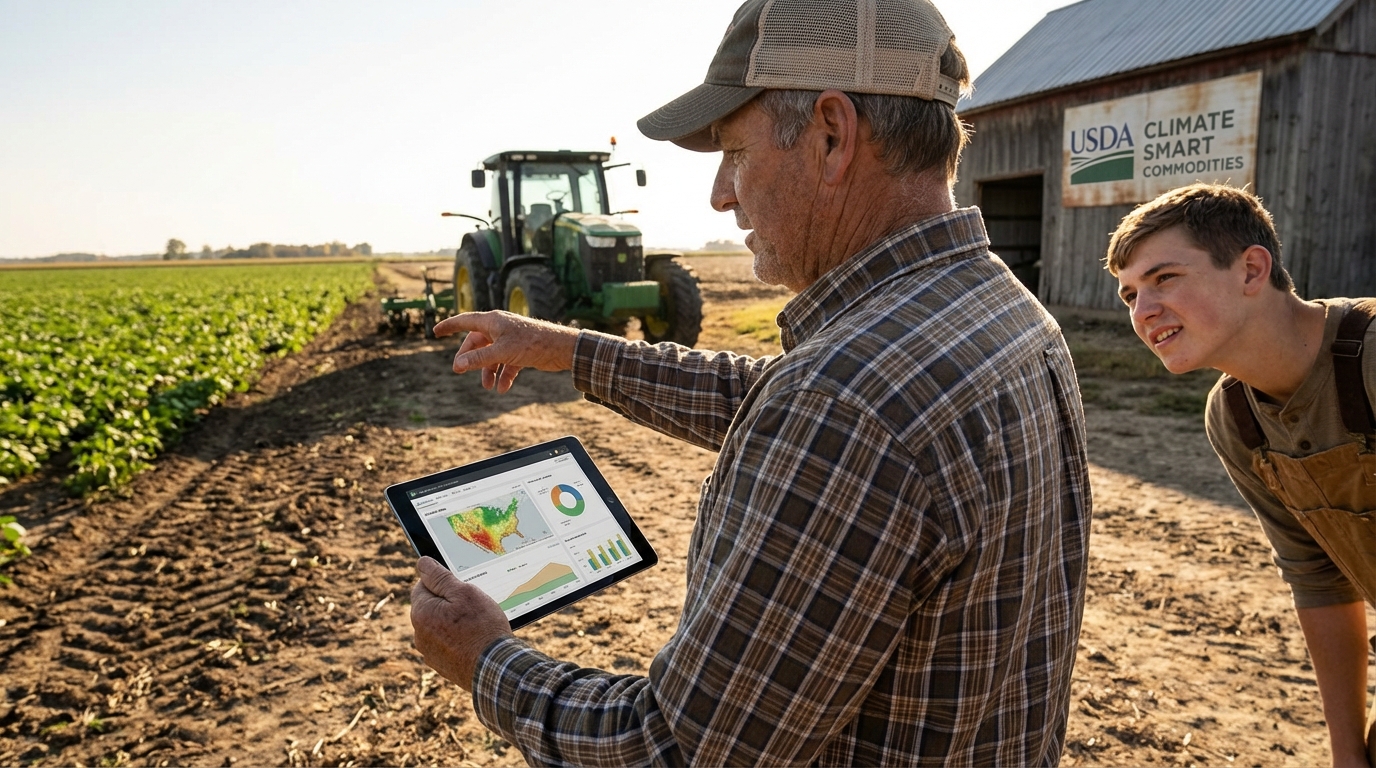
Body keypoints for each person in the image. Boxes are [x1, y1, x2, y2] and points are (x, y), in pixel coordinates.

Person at [410, 0, 1091, 764]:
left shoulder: (846, 401)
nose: (721, 195)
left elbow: (674, 749)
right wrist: (565, 347)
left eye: (735, 152)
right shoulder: (1000, 312)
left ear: (833, 136)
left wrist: (485, 660)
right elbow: (778, 399)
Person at [1107, 183, 1376, 768]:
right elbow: (1319, 583)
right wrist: (1348, 753)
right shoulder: (1235, 419)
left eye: (1165, 279)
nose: (1142, 312)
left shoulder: (1373, 358)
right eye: (1129, 295)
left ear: (1252, 270)